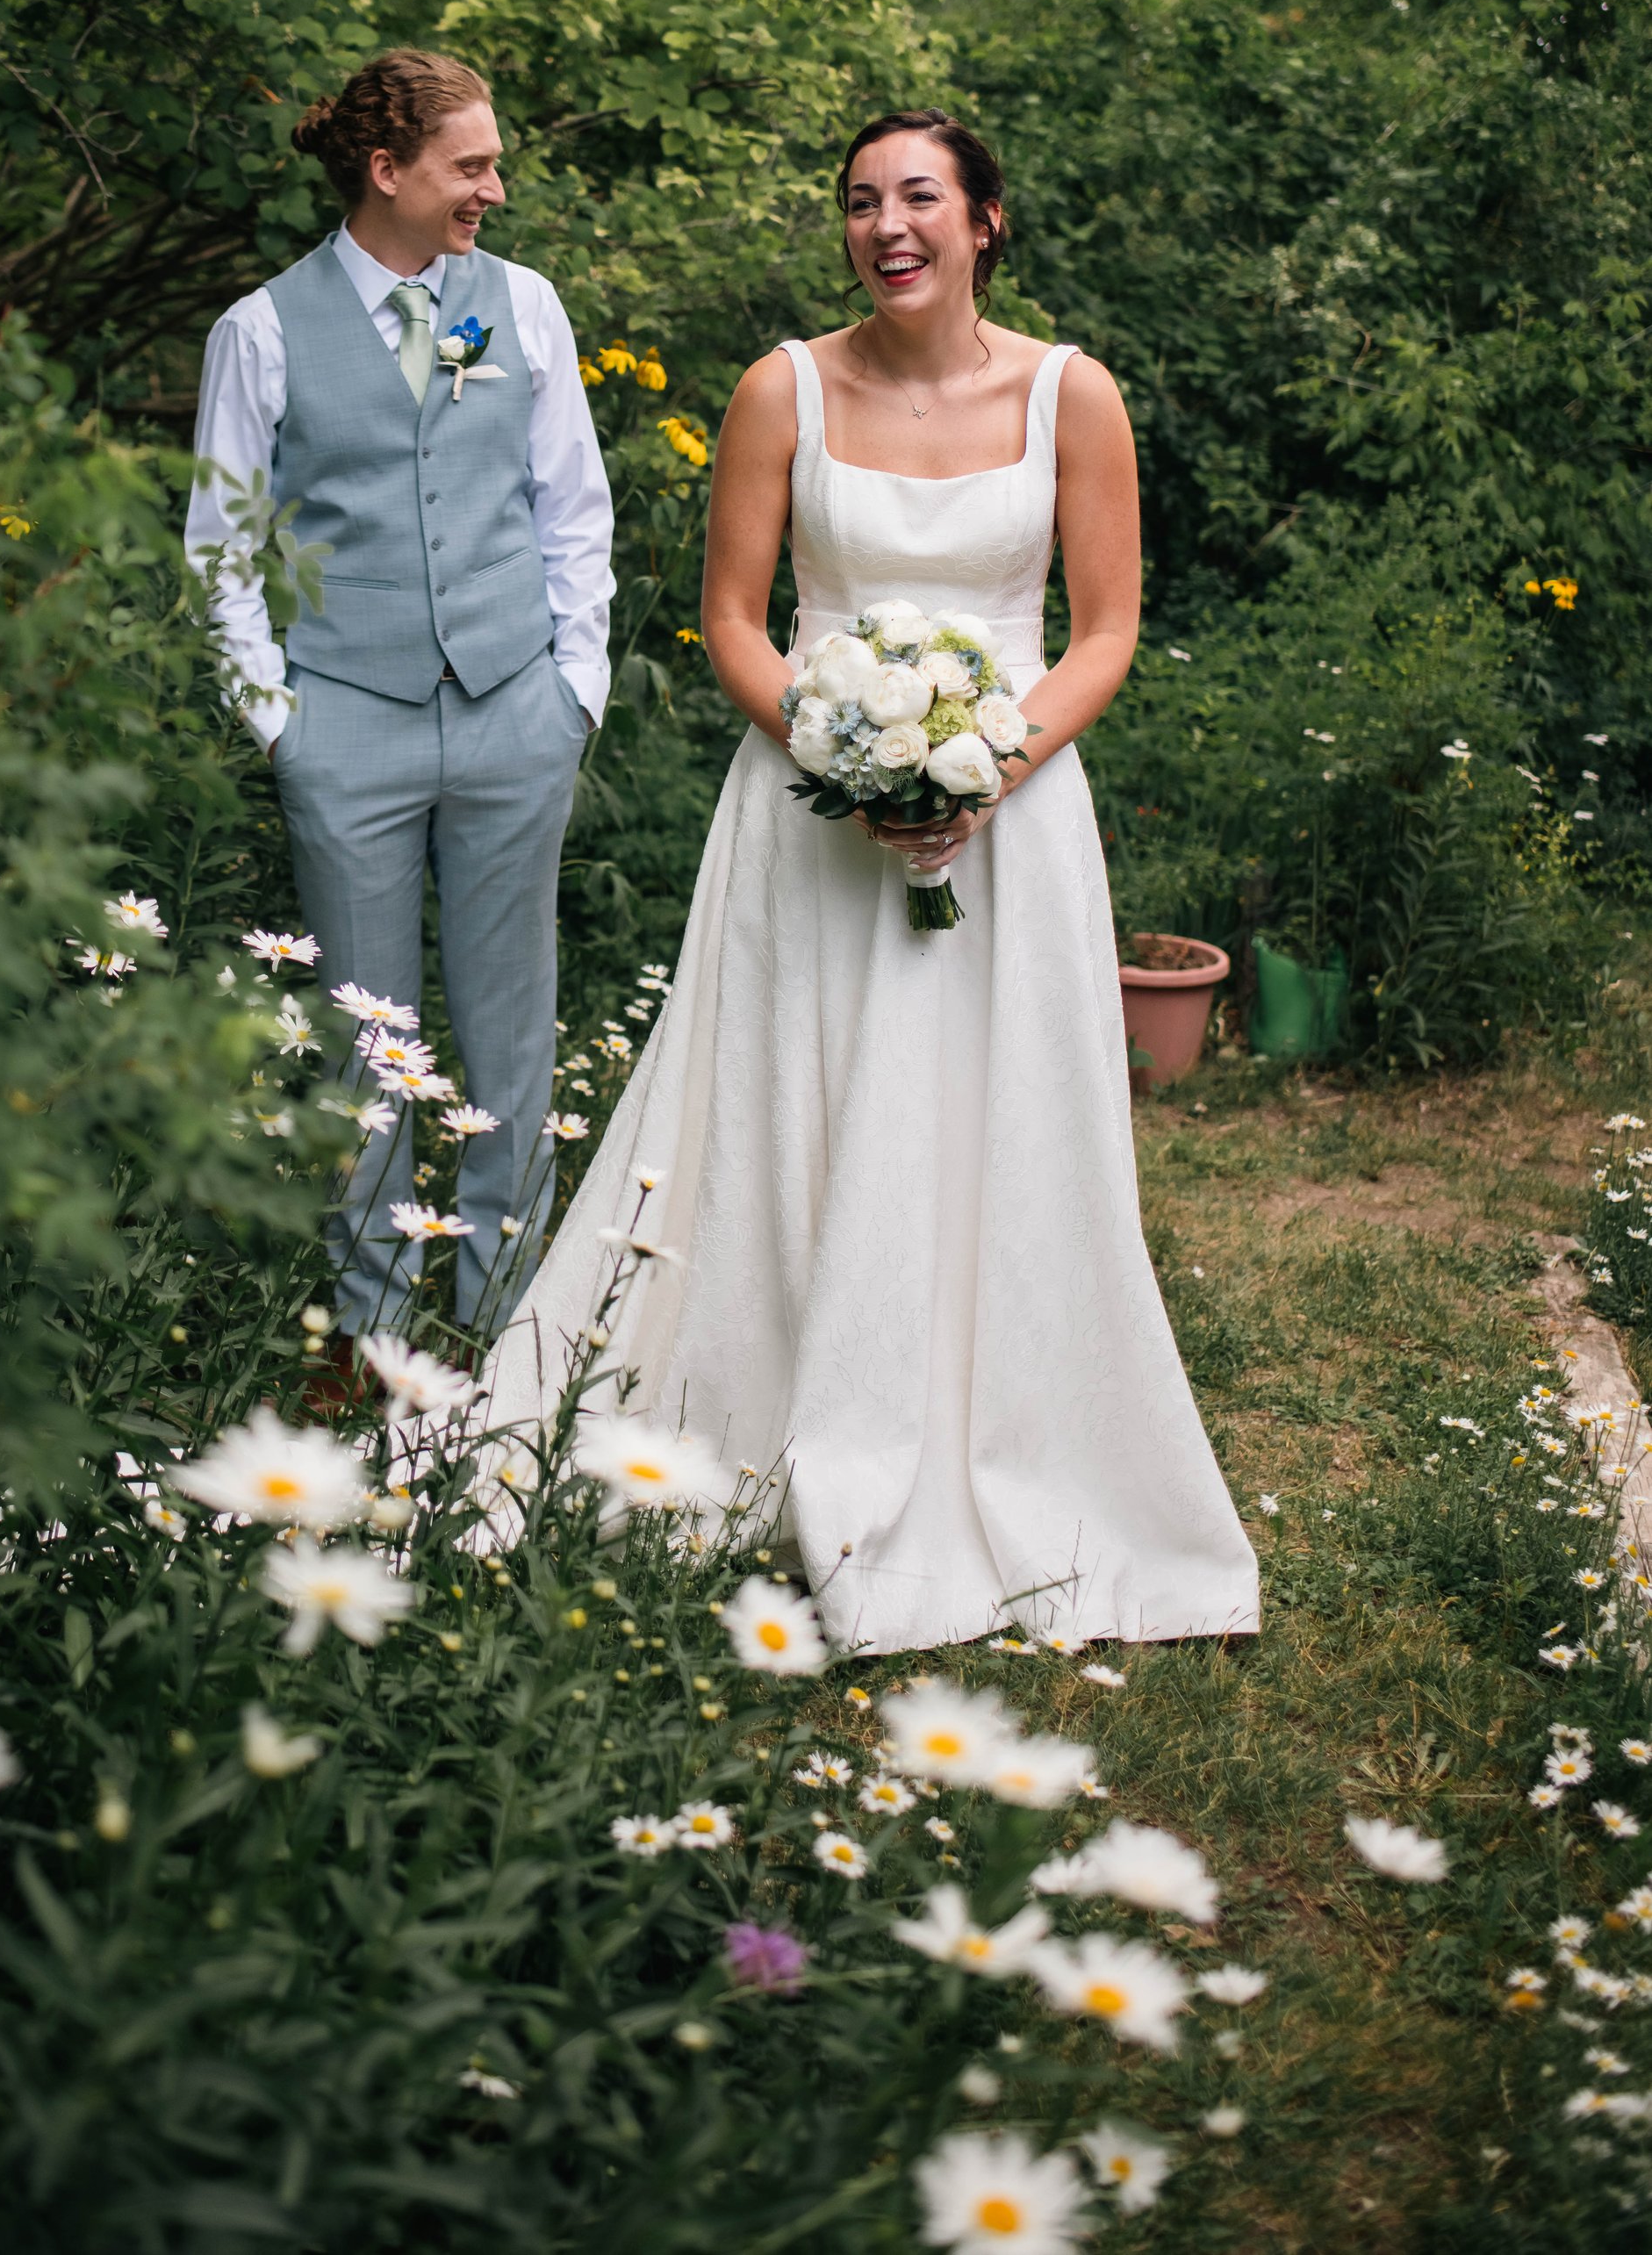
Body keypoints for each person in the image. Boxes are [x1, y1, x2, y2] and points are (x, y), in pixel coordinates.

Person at [482, 109, 1258, 1653]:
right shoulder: (783, 386)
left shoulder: (1069, 394)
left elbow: (1103, 627)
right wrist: (852, 763)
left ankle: (1010, 1435)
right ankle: (773, 1410)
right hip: (804, 821)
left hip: (1017, 823)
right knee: (794, 1113)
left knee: (1001, 1124)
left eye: (918, 197)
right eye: (858, 201)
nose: (884, 224)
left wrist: (988, 766)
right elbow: (734, 620)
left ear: (985, 222)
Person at [186, 49, 614, 1340]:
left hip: (510, 712)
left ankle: (497, 1336)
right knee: (364, 1051)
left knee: (510, 1043)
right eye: (472, 164)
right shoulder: (262, 330)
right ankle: (370, 1340)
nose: (495, 185)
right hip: (346, 728)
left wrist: (571, 692)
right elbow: (222, 548)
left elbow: (571, 508)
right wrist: (284, 728)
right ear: (388, 171)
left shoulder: (522, 305)